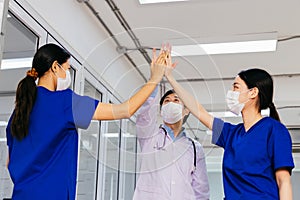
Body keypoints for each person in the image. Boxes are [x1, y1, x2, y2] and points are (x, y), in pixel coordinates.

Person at [5, 43, 166, 200]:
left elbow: (9, 163)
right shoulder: (64, 102)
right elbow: (124, 110)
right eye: (67, 69)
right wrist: (154, 79)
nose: (67, 75)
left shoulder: (18, 113)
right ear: (55, 67)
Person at [163, 47, 294, 200]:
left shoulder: (274, 130)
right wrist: (170, 77)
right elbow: (199, 111)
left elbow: (283, 181)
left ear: (253, 92)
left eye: (236, 87)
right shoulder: (231, 134)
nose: (231, 92)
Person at [133, 73, 210, 198]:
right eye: (166, 101)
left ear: (186, 110)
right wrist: (154, 80)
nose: (171, 103)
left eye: (176, 100)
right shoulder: (149, 136)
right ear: (161, 111)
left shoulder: (195, 149)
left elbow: (201, 190)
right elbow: (144, 115)